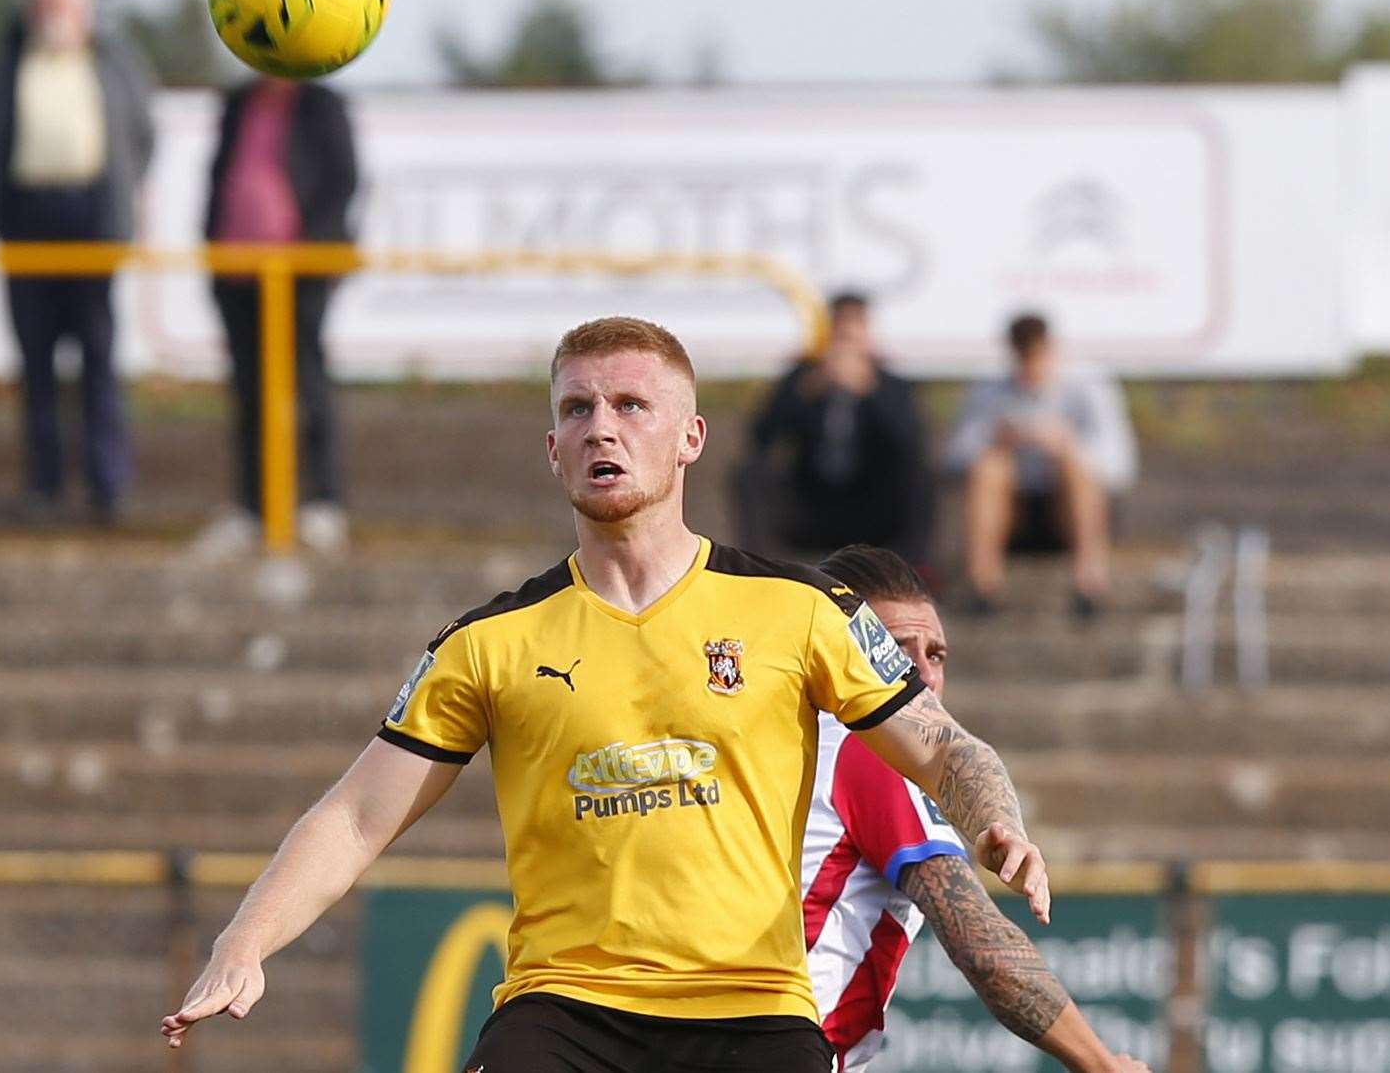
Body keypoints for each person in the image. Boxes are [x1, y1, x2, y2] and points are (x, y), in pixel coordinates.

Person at [164, 316, 1057, 1073]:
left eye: (632, 406)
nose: (603, 429)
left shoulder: (803, 611)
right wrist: (242, 944)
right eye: (578, 409)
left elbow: (943, 746)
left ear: (689, 438)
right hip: (565, 1012)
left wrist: (995, 818)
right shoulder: (488, 642)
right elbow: (355, 817)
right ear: (553, 450)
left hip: (751, 1008)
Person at [807, 545, 1147, 1073]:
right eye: (894, 651)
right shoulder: (866, 751)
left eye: (936, 655)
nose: (921, 674)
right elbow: (984, 949)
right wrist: (1102, 1065)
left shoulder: (769, 747)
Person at [0, 0, 156, 522]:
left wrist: (119, 202)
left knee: (98, 357)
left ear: (83, 6)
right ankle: (44, 484)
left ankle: (108, 482)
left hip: (92, 219)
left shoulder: (114, 59)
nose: (50, 9)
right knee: (35, 362)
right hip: (28, 218)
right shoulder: (11, 61)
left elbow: (142, 136)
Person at [194, 75, 357, 556]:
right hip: (238, 272)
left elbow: (341, 180)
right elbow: (220, 178)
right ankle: (252, 506)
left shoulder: (321, 104)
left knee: (307, 382)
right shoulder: (237, 101)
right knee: (249, 390)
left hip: (298, 274)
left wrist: (314, 253)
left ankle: (323, 502)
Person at [943, 314, 1136, 617]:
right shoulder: (988, 389)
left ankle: (1089, 583)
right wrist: (1000, 440)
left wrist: (1065, 445)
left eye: (1036, 355)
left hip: (1068, 511)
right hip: (1012, 513)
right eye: (1023, 357)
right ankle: (982, 582)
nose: (1030, 367)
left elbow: (1119, 468)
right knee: (989, 467)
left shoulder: (1090, 386)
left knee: (1076, 467)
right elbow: (954, 458)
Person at [735, 292, 934, 570]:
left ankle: (915, 571)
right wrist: (808, 391)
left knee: (921, 477)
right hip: (811, 500)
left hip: (871, 503)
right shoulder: (803, 379)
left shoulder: (890, 384)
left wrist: (870, 392)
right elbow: (760, 436)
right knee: (749, 473)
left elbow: (911, 444)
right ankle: (753, 571)